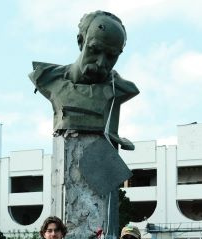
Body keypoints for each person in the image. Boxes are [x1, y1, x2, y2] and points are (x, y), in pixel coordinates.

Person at [29, 10, 139, 151]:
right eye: (94, 50)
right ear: (81, 41)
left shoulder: (120, 89)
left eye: (111, 56)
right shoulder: (47, 78)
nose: (101, 63)